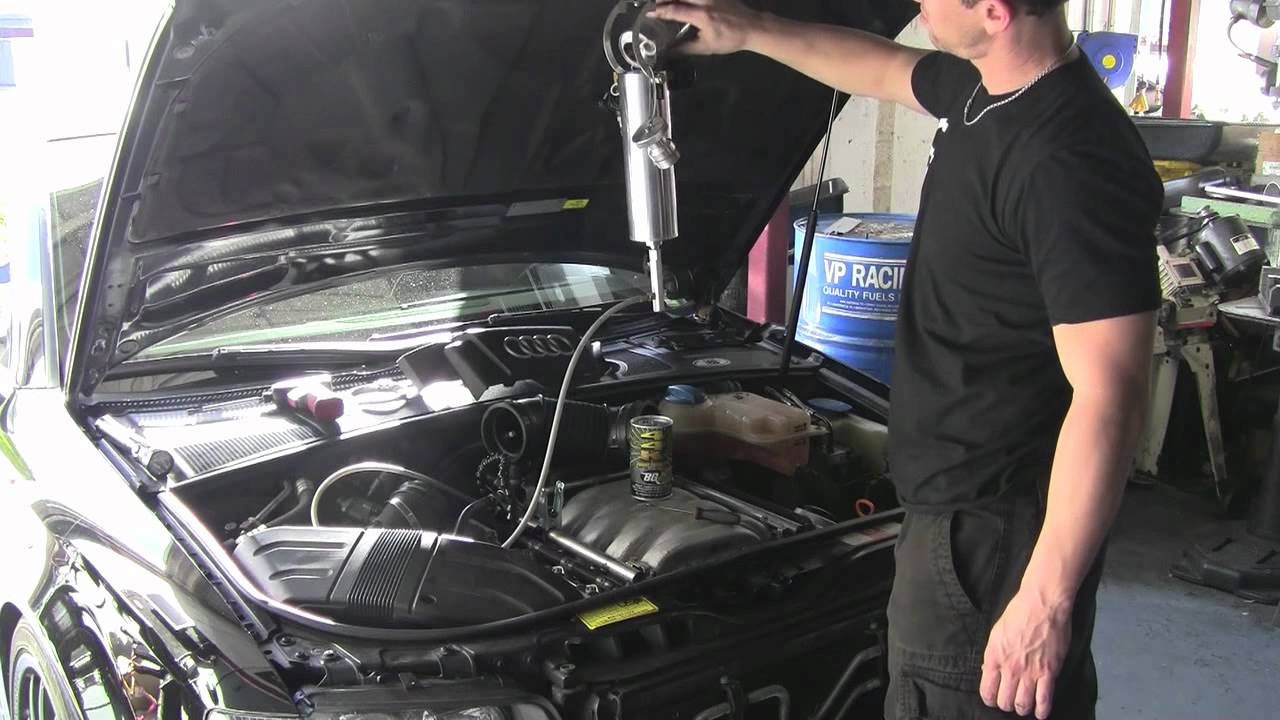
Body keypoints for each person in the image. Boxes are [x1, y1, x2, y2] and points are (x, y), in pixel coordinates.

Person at [648, 1, 1161, 718]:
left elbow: (1111, 396)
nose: (918, 4)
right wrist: (747, 30)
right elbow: (883, 66)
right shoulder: (987, 87)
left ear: (994, 12)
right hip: (956, 513)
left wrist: (1043, 600)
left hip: (989, 536)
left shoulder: (1067, 160)